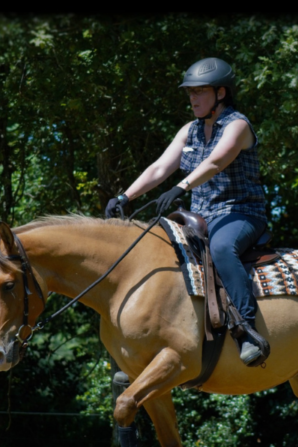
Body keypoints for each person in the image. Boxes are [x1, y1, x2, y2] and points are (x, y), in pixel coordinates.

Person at [105, 57, 268, 366]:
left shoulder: (238, 125)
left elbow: (216, 162)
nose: (192, 98)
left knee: (222, 248)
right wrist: (125, 196)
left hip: (240, 213)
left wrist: (181, 187)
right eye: (190, 92)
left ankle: (247, 330)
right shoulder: (189, 130)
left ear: (221, 93)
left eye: (200, 91)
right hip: (200, 218)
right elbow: (159, 168)